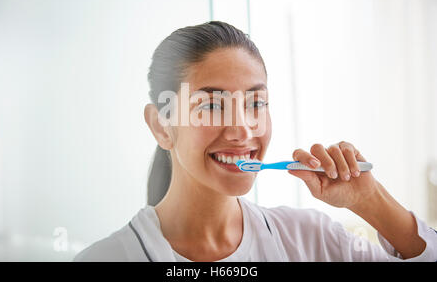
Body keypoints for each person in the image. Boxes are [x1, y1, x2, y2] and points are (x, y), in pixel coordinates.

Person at [74, 21, 437, 262]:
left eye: (255, 103)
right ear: (161, 126)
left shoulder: (311, 241)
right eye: (212, 105)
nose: (243, 129)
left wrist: (370, 201)